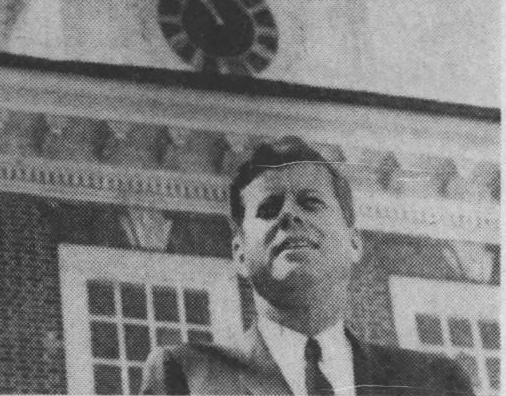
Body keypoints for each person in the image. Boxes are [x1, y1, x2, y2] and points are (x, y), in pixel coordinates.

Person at [142, 136, 474, 395]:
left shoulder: (434, 382)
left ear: (354, 242)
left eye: (311, 202)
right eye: (269, 209)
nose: (289, 215)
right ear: (240, 255)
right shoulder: (188, 376)